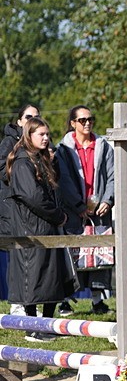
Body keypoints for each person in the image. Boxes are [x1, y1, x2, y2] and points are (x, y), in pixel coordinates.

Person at [5, 116, 79, 342]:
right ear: (29, 136)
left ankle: (48, 325)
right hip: (31, 229)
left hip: (48, 227)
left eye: (48, 134)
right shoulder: (21, 162)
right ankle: (32, 327)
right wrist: (58, 215)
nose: (46, 138)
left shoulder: (42, 159)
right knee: (34, 279)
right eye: (41, 134)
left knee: (53, 276)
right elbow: (33, 196)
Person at [57, 105, 115, 314]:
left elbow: (113, 176)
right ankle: (67, 299)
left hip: (100, 209)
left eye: (90, 119)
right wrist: (78, 206)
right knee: (73, 254)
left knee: (101, 252)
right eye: (82, 120)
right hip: (73, 211)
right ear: (73, 123)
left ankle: (98, 301)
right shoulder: (63, 149)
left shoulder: (103, 146)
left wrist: (108, 200)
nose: (87, 123)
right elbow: (63, 180)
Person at [0, 103, 42, 314]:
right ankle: (17, 303)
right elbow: (2, 170)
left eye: (36, 116)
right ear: (19, 121)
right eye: (28, 116)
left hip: (31, 211)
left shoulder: (38, 141)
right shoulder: (10, 142)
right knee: (17, 256)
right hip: (12, 207)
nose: (31, 119)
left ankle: (31, 302)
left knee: (31, 257)